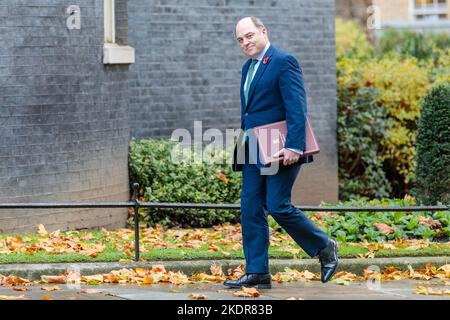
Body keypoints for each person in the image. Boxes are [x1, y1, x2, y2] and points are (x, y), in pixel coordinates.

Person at [224, 17, 339, 289]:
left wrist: (294, 146)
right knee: (250, 208)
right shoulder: (247, 68)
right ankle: (257, 272)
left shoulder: (283, 61)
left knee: (277, 205)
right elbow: (250, 113)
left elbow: (296, 106)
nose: (245, 42)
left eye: (250, 35)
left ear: (264, 31)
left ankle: (325, 247)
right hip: (252, 148)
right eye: (240, 39)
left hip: (280, 149)